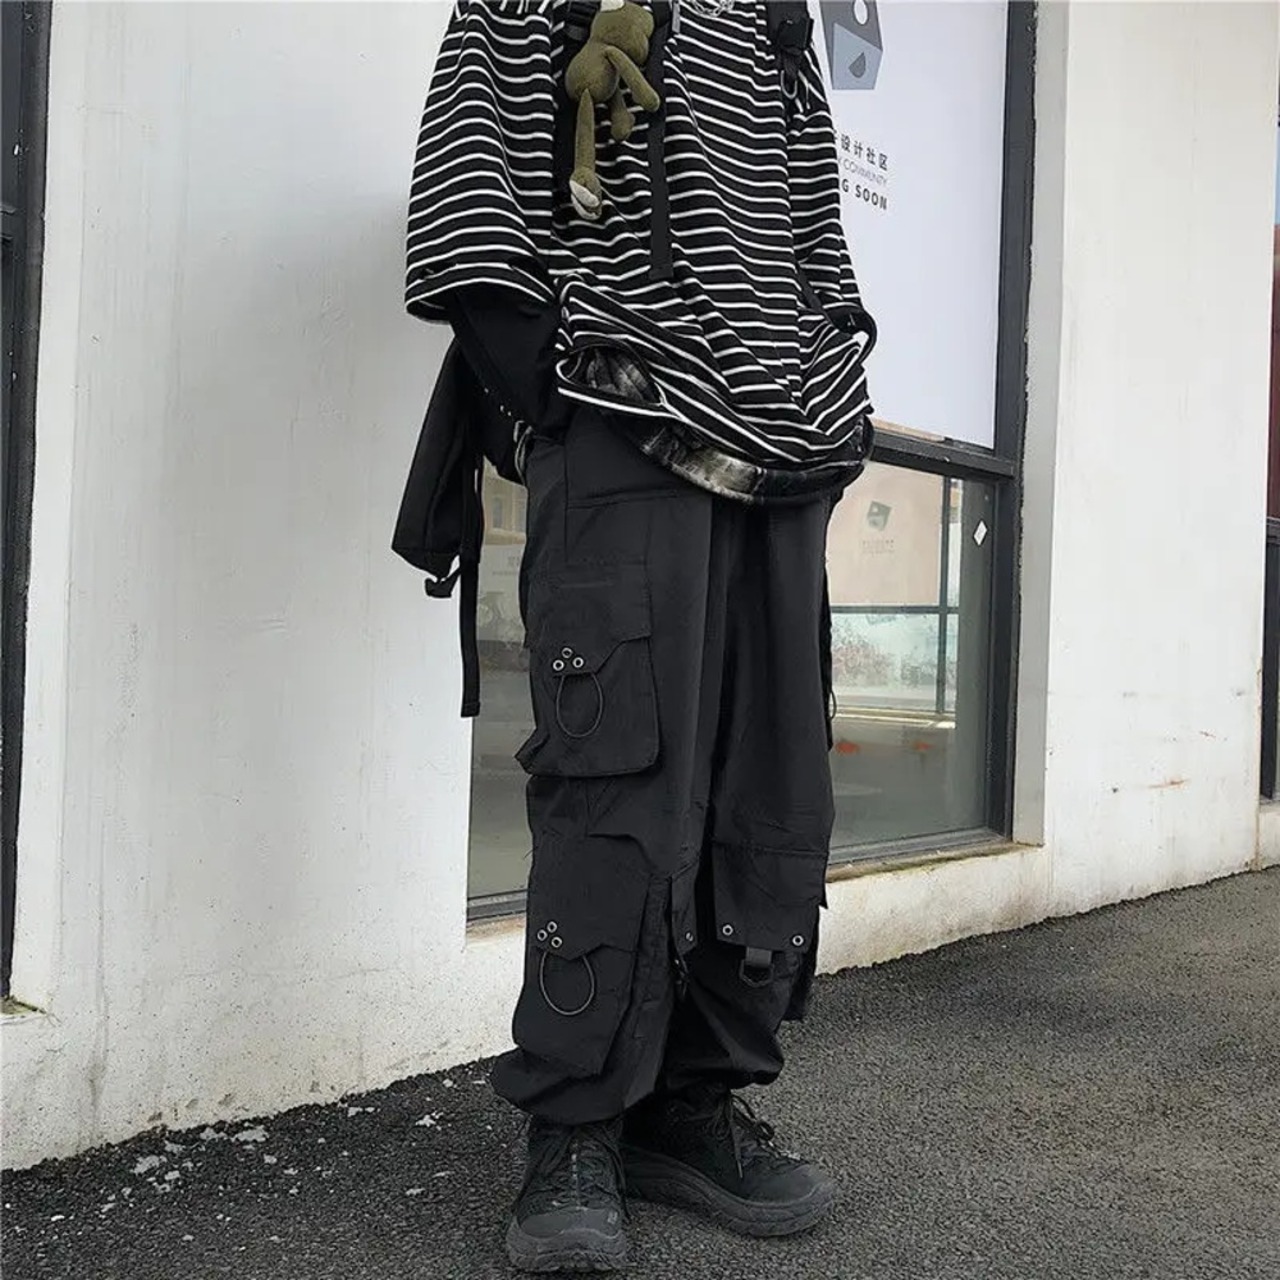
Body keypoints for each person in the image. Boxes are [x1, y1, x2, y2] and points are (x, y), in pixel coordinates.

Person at [403, 1, 875, 1270]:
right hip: (620, 413)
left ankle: (688, 1106)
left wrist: (834, 377)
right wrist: (557, 386)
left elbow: (813, 225)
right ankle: (574, 1123)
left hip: (784, 443)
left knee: (767, 779)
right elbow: (466, 187)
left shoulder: (776, 19)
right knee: (614, 775)